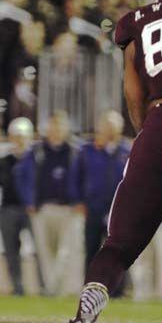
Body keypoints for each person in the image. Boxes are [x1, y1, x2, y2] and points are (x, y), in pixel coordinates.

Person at [64, 0, 162, 323]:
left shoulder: (137, 20)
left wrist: (149, 137)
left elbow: (134, 93)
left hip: (161, 123)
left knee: (119, 244)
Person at [15, 110, 82, 296]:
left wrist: (80, 200)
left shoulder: (76, 151)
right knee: (45, 251)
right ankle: (51, 289)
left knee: (66, 252)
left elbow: (85, 177)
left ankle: (65, 289)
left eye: (60, 125)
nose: (57, 129)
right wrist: (29, 201)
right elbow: (22, 176)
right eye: (53, 125)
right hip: (43, 208)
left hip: (69, 208)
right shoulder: (37, 151)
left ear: (67, 128)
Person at [67, 110, 129, 273]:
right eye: (105, 125)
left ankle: (116, 291)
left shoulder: (126, 151)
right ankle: (90, 288)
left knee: (117, 251)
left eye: (112, 125)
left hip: (119, 209)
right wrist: (78, 201)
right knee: (92, 249)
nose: (108, 129)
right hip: (93, 207)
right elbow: (75, 177)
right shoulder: (87, 150)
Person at [0, 117, 35, 296]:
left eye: (22, 136)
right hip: (8, 209)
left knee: (39, 250)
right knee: (11, 252)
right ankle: (17, 287)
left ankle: (45, 287)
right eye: (16, 136)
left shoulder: (36, 159)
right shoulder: (4, 160)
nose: (19, 139)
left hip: (31, 209)